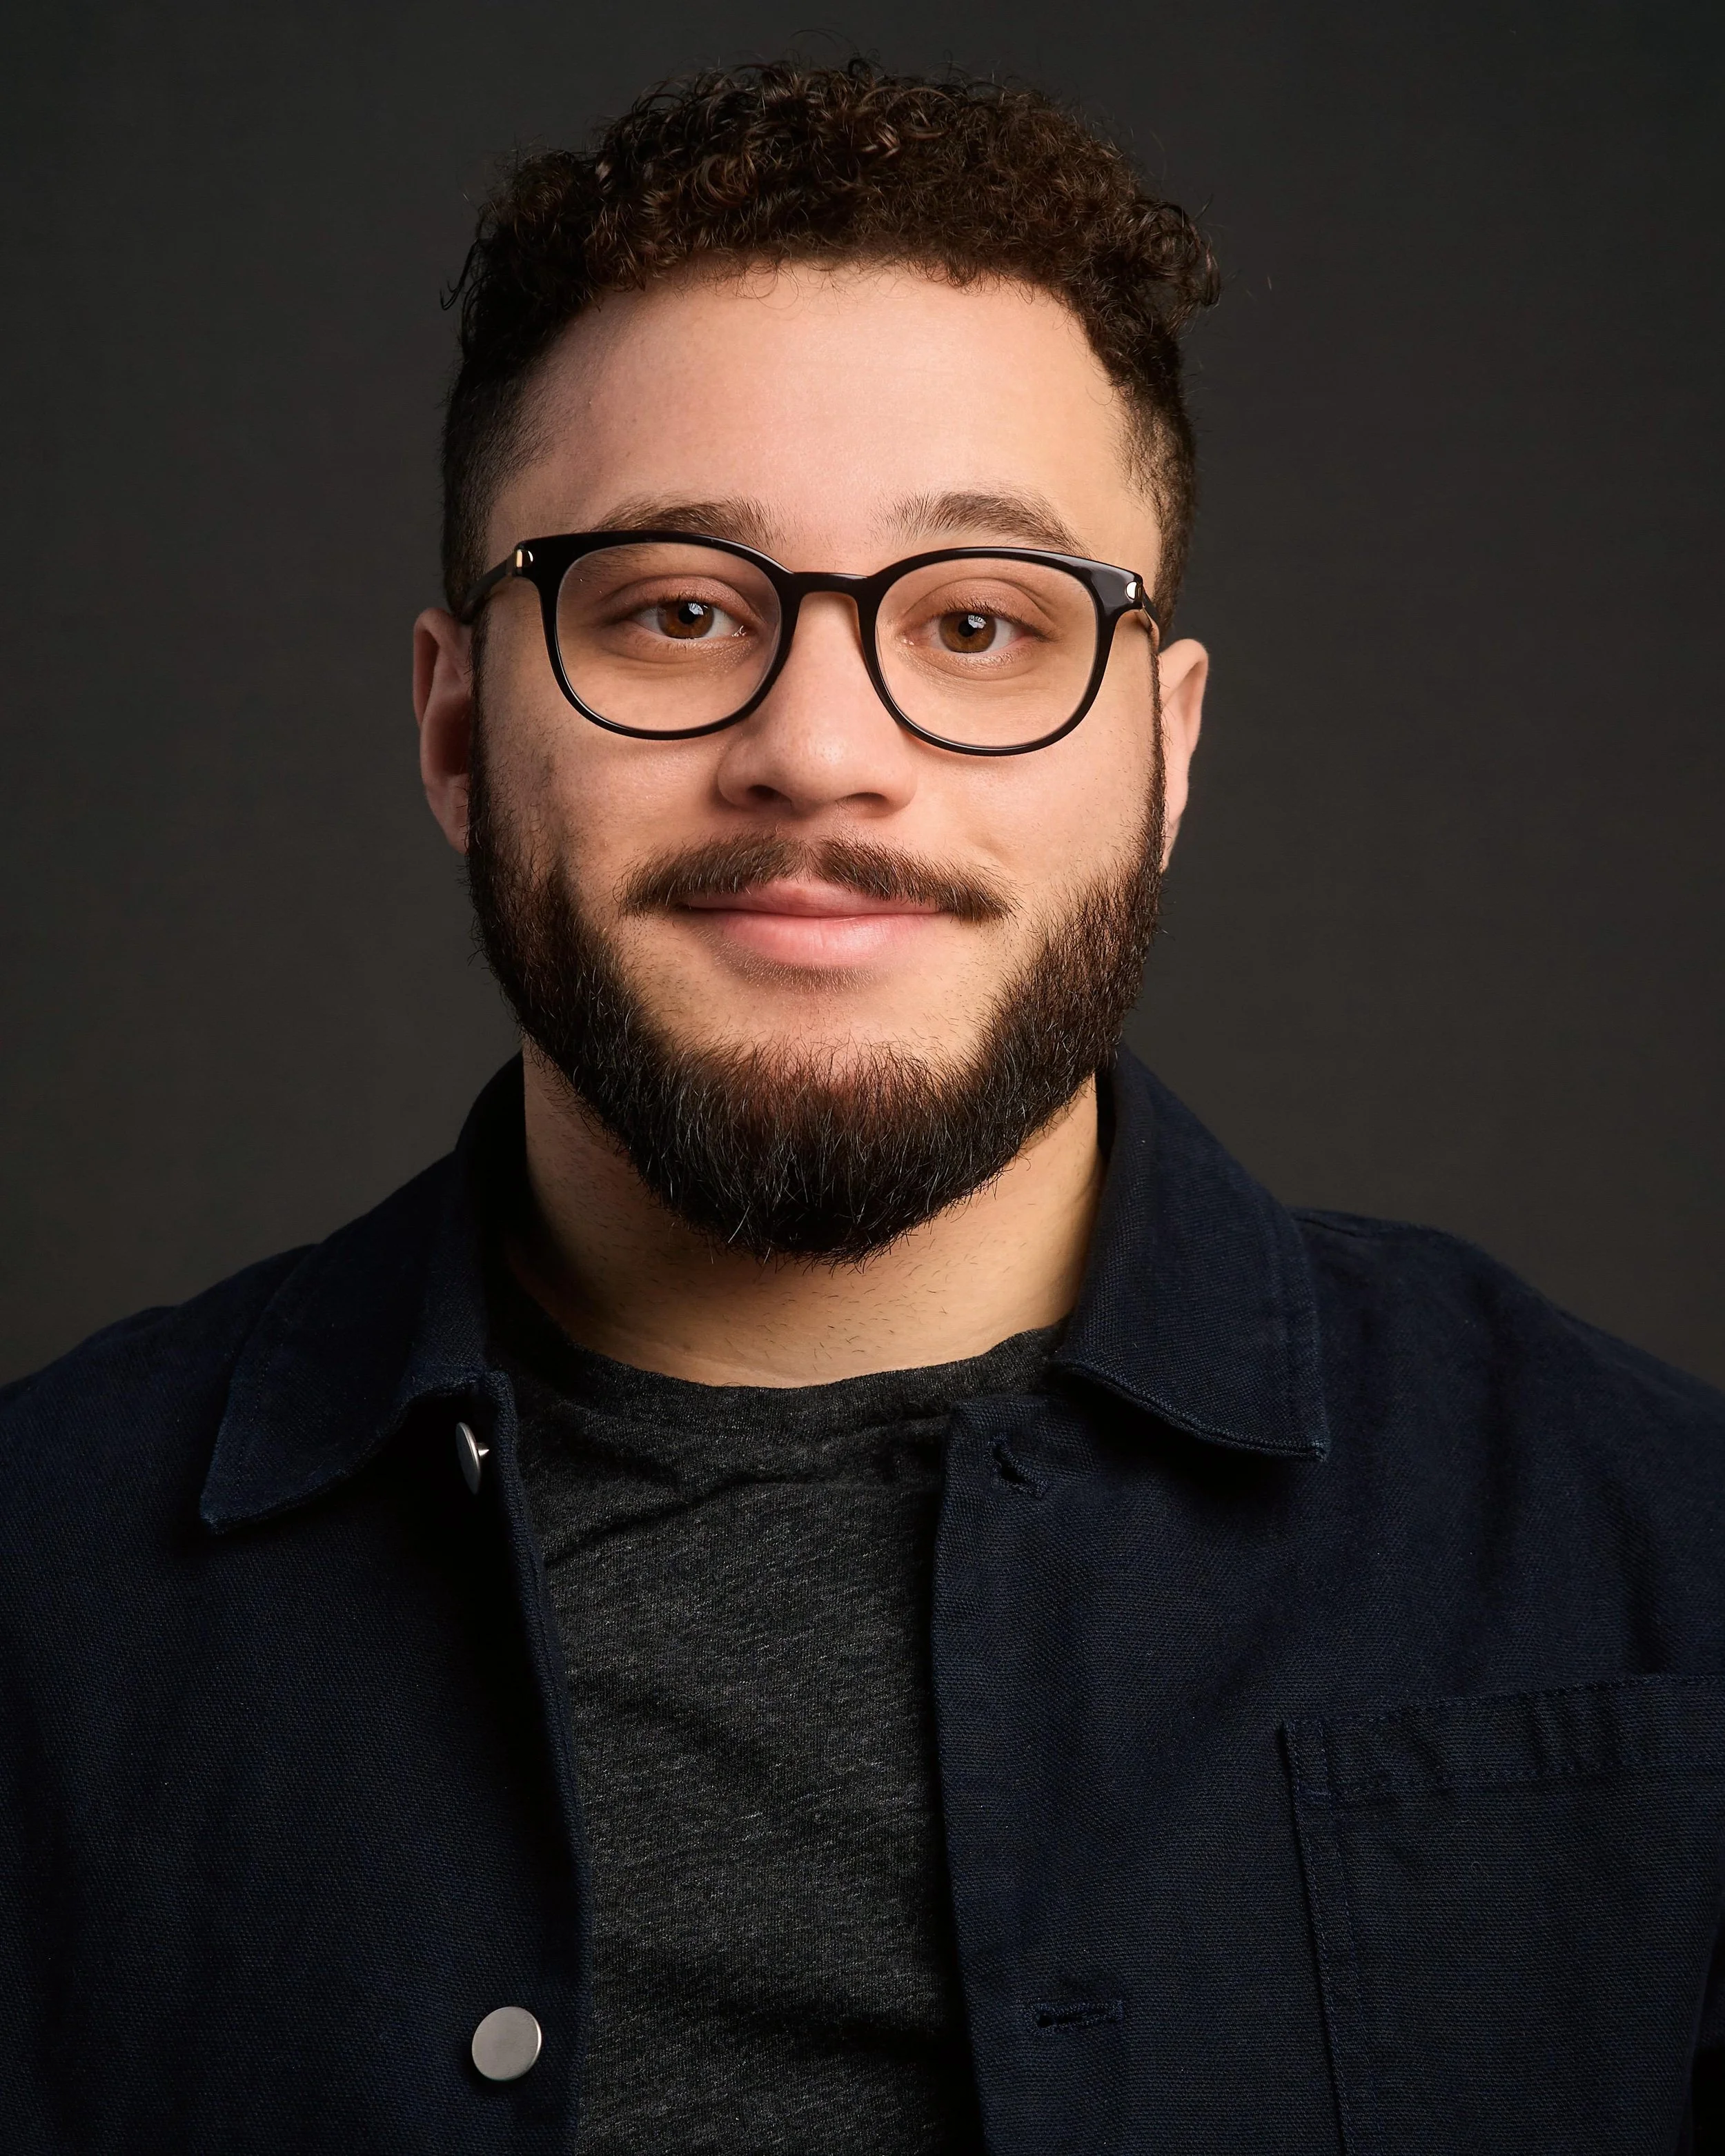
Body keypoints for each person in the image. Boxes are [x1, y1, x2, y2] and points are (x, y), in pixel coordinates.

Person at [2, 58, 1721, 2155]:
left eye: (983, 624)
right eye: (672, 610)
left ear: (1164, 754)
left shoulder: (1658, 1555)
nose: (820, 752)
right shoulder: (38, 1591)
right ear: (457, 729)